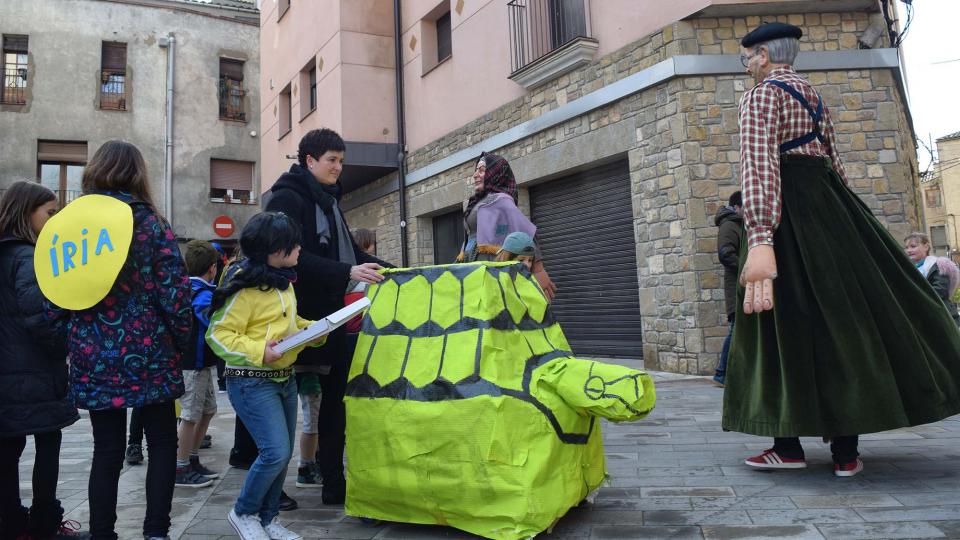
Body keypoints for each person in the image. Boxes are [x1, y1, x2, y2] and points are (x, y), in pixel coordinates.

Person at [726, 23, 960, 478]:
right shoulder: (812, 96)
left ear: (766, 56)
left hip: (786, 216)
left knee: (779, 326)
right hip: (831, 213)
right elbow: (837, 168)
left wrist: (760, 237)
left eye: (749, 57)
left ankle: (787, 446)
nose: (748, 65)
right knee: (843, 323)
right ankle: (846, 454)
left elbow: (760, 167)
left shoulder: (761, 97)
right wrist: (850, 227)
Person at [66, 141, 192, 539]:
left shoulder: (72, 224)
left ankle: (102, 532)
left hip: (92, 350)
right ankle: (156, 531)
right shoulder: (150, 223)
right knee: (161, 442)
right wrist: (183, 339)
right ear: (138, 174)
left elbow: (56, 289)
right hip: (148, 347)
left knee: (106, 448)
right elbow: (173, 290)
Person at [263, 128, 391, 505]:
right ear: (310, 161)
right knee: (279, 402)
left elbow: (350, 251)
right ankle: (271, 488)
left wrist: (396, 271)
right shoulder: (287, 198)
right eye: (332, 160)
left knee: (337, 399)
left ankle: (334, 483)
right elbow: (286, 254)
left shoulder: (329, 202)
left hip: (331, 317)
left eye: (341, 160)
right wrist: (347, 273)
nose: (339, 167)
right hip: (289, 317)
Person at [206, 212, 323, 540]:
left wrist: (314, 330)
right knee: (274, 452)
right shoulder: (245, 287)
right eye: (293, 243)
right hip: (250, 380)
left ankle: (269, 519)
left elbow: (289, 322)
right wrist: (261, 351)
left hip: (284, 379)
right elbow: (218, 334)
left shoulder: (283, 281)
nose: (300, 247)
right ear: (274, 249)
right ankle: (243, 511)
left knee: (283, 454)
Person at [0, 182, 88, 540]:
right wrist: (65, 345)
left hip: (8, 370)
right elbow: (42, 319)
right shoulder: (27, 258)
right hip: (33, 369)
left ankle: (10, 523)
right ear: (27, 212)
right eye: (50, 213)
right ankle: (44, 524)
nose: (54, 220)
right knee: (47, 443)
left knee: (8, 449)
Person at [459, 152, 556, 300]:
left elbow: (526, 232)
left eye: (482, 170)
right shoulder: (479, 201)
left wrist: (539, 270)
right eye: (476, 170)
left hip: (490, 268)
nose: (475, 175)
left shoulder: (501, 200)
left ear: (495, 173)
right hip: (471, 265)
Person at [174, 239, 222, 488]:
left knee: (207, 409)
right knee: (190, 415)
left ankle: (191, 458)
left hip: (200, 364)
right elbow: (211, 321)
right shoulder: (201, 293)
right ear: (212, 268)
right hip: (193, 364)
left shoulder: (188, 288)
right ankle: (180, 467)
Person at [713, 191, 743, 387]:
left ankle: (729, 373)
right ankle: (722, 373)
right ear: (737, 206)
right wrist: (746, 269)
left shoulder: (738, 224)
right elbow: (725, 254)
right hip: (737, 288)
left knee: (738, 330)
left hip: (744, 286)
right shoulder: (729, 224)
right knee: (735, 330)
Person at [903, 232, 960, 326]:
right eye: (906, 247)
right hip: (922, 316)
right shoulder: (910, 268)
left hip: (941, 316)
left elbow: (939, 291)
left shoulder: (938, 265)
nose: (909, 250)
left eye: (913, 246)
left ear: (926, 247)